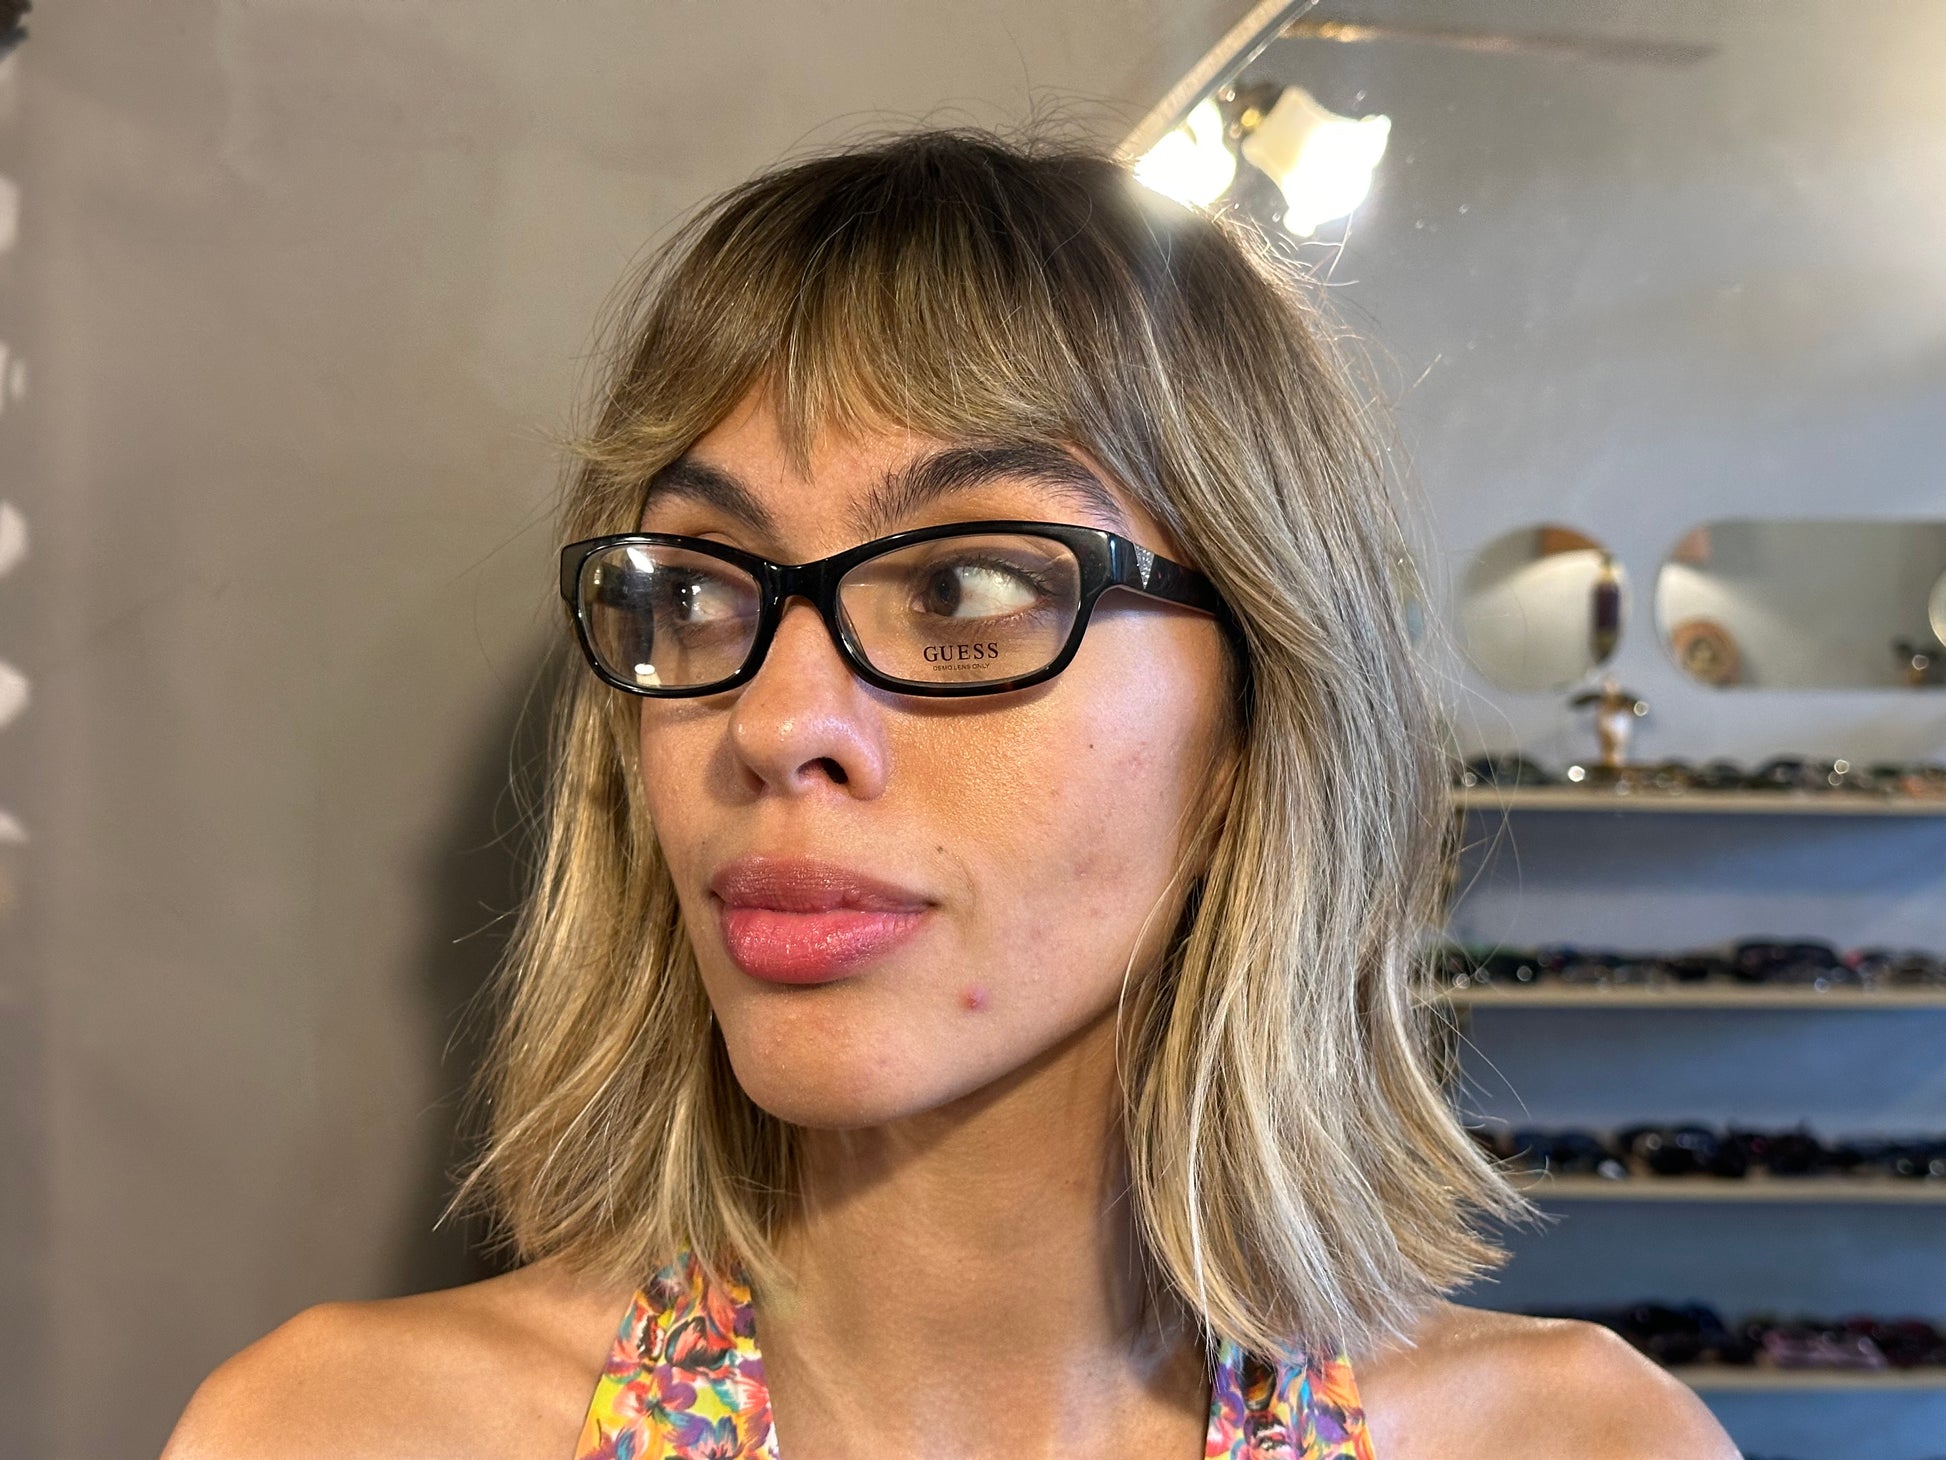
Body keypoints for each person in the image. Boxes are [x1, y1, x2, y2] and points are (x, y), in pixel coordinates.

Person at [165, 130, 1737, 1459]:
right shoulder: (342, 1431)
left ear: (1255, 711)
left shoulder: (1579, 1442)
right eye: (697, 588)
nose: (777, 721)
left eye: (966, 585)